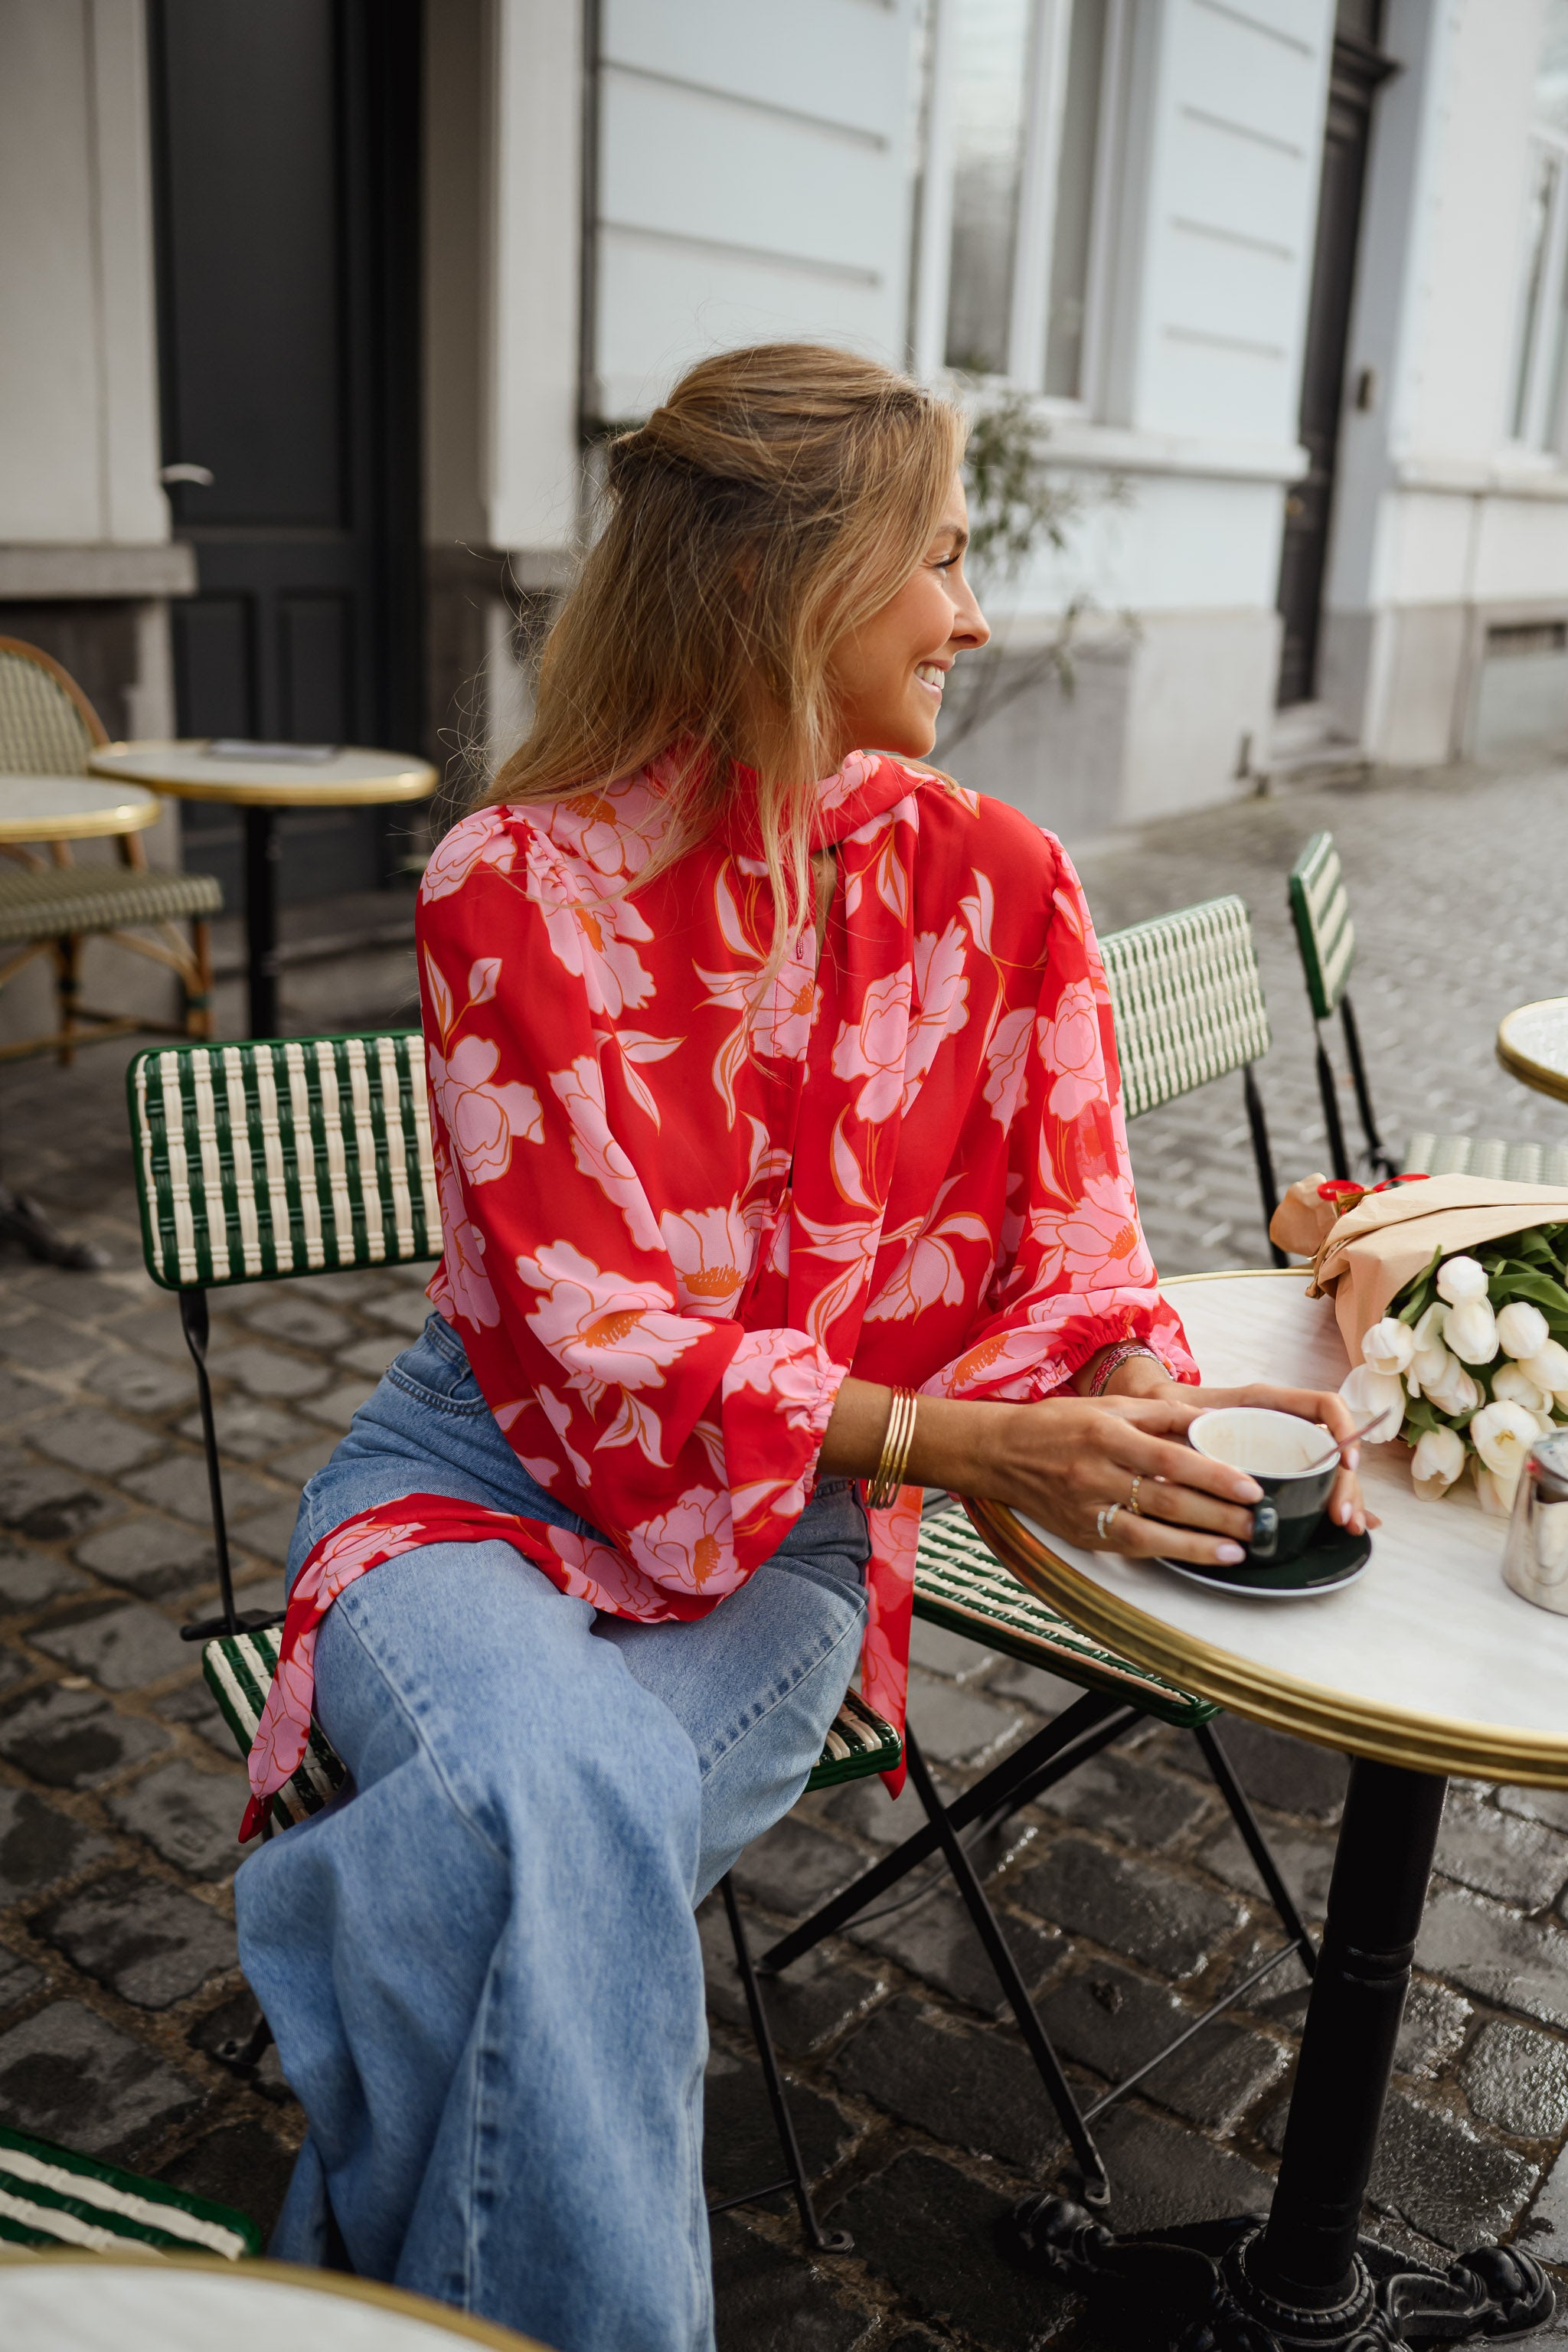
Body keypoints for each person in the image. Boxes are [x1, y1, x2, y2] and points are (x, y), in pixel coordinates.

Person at [234, 343, 1367, 2352]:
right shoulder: (513, 889)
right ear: (784, 584)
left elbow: (1080, 1255)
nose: (974, 615)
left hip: (786, 1540)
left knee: (500, 1836)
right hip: (477, 1484)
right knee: (558, 1808)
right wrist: (949, 1440)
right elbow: (584, 1333)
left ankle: (346, 2200)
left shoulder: (1004, 887)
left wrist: (1125, 1402)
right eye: (939, 558)